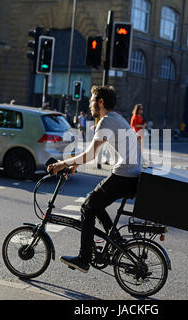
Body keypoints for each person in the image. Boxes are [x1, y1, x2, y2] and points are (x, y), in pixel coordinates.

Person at [47, 85, 141, 273]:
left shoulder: (106, 121)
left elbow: (90, 154)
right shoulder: (117, 119)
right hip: (131, 175)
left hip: (124, 175)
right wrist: (76, 164)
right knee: (95, 204)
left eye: (91, 101)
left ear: (100, 102)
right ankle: (115, 239)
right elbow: (92, 154)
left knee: (87, 207)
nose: (89, 105)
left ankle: (84, 258)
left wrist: (63, 164)